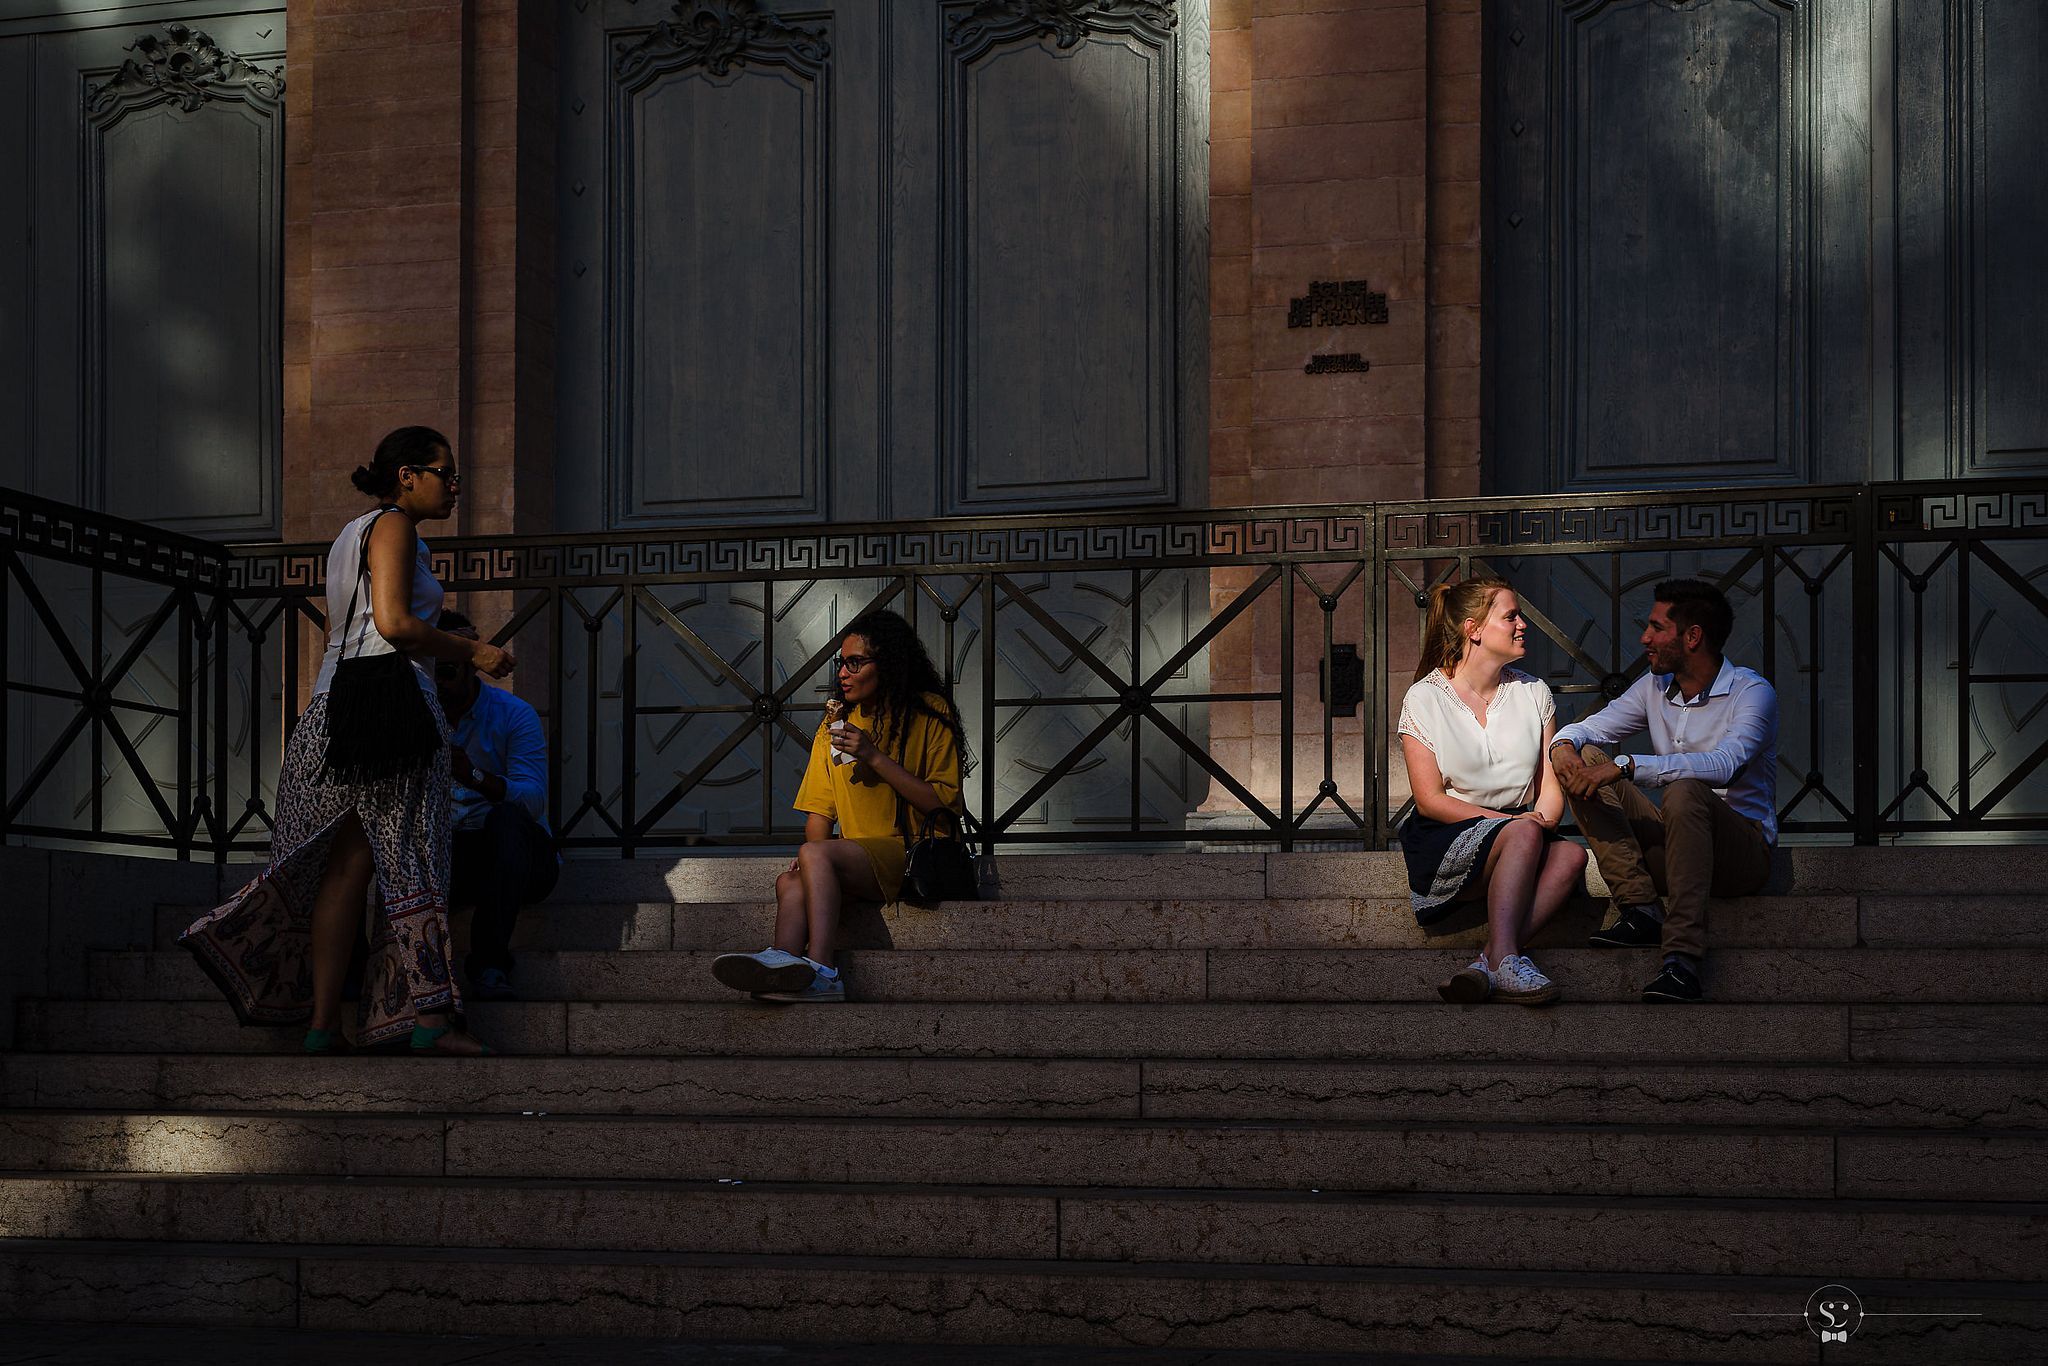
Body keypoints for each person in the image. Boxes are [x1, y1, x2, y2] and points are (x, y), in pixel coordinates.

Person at [180, 427, 513, 1054]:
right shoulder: (394, 527)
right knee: (412, 855)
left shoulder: (347, 535)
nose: (455, 488)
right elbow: (394, 624)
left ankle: (322, 1022)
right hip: (392, 709)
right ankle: (428, 1020)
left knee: (345, 867)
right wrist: (475, 650)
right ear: (408, 474)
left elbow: (351, 628)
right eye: (447, 473)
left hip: (333, 707)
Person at [710, 609, 966, 1004]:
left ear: (889, 664)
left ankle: (824, 971)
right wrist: (812, 859)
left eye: (854, 662)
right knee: (790, 882)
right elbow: (819, 812)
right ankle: (783, 966)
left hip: (914, 853)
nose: (842, 673)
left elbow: (944, 804)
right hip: (855, 860)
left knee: (815, 856)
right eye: (841, 663)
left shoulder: (930, 712)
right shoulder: (834, 725)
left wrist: (874, 756)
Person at [1549, 578, 1778, 1004]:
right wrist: (1562, 747)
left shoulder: (1752, 693)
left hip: (1740, 854)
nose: (1644, 638)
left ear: (1692, 637)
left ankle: (1682, 962)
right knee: (1590, 760)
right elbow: (1592, 727)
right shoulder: (1654, 686)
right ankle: (1639, 910)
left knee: (1683, 790)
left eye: (1656, 628)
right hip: (1677, 846)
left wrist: (1628, 766)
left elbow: (1725, 765)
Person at [1397, 577, 1586, 1005]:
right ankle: (1506, 960)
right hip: (1450, 834)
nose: (1523, 625)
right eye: (1511, 616)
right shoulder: (1424, 697)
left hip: (1523, 832)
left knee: (1573, 855)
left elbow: (1549, 791)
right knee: (1523, 833)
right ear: (1473, 629)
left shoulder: (1534, 692)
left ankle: (1490, 961)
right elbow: (1430, 800)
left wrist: (1541, 822)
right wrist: (1513, 825)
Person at [435, 608, 557, 1001]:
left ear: (473, 666)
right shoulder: (416, 714)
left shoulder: (512, 714)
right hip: (450, 853)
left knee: (507, 819)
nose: (442, 678)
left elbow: (534, 800)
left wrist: (474, 776)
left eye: (450, 667)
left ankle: (490, 963)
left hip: (516, 857)